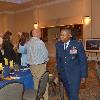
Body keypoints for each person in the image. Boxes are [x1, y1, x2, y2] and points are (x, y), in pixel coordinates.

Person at [56, 28, 88, 100]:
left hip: (75, 75)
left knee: (73, 95)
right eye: (61, 35)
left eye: (63, 35)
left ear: (69, 35)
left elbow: (83, 61)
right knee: (68, 93)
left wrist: (83, 76)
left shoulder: (77, 44)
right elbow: (58, 60)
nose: (61, 36)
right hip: (64, 74)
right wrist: (59, 73)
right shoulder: (58, 45)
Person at [27, 28, 49, 100]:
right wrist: (46, 60)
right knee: (44, 84)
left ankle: (38, 98)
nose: (40, 34)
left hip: (32, 66)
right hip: (40, 66)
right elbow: (45, 54)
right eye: (39, 32)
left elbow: (28, 55)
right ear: (35, 33)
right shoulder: (40, 42)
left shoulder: (29, 42)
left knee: (36, 84)